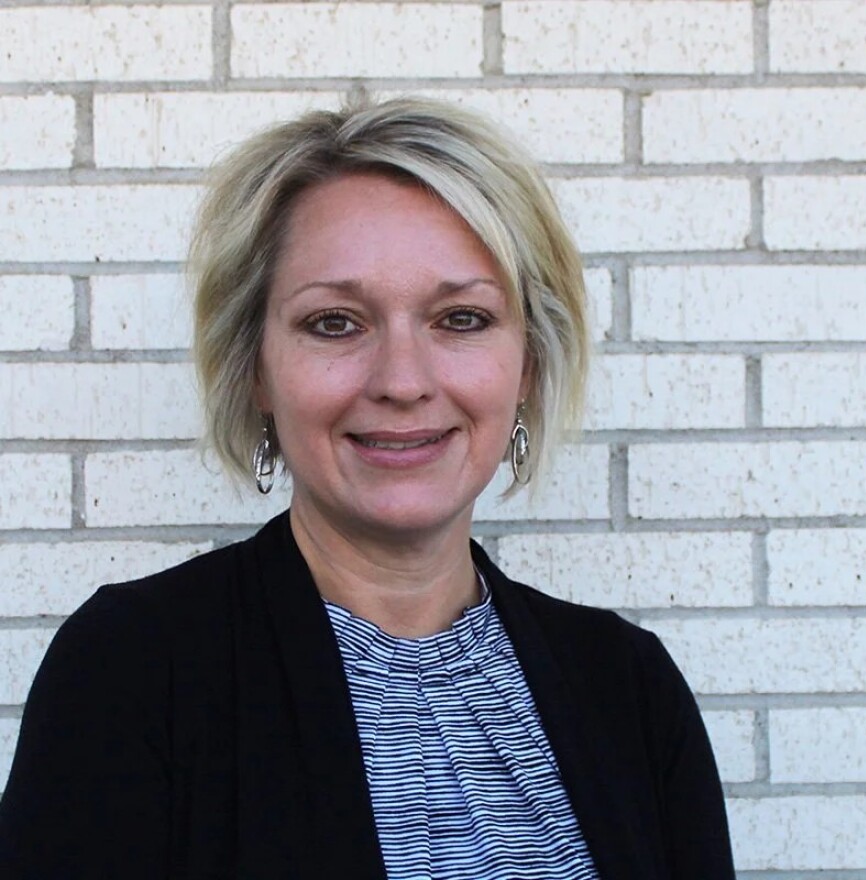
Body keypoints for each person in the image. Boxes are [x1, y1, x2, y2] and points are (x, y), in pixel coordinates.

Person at [0, 95, 735, 879]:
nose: (402, 381)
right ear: (255, 367)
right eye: (335, 323)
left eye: (460, 319)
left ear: (528, 363)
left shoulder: (629, 686)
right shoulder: (134, 672)